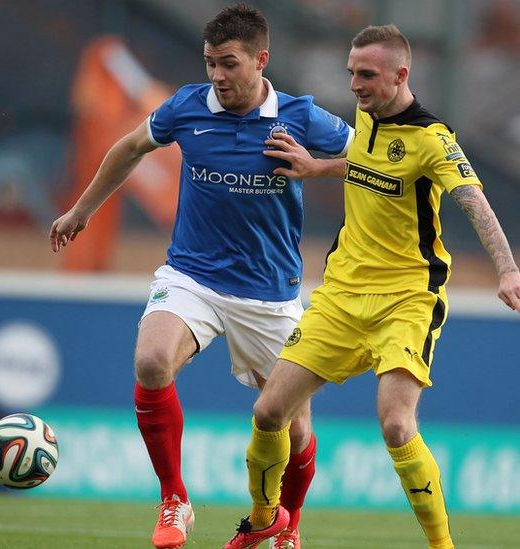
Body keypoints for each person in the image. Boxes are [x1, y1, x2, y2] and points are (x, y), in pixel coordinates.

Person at [49, 4, 353, 549]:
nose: (217, 75)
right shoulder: (187, 106)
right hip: (194, 277)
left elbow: (378, 162)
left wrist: (317, 167)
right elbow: (128, 147)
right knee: (150, 360)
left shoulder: (302, 116)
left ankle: (289, 527)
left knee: (295, 428)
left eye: (229, 63)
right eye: (211, 62)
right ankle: (174, 501)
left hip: (271, 296)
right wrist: (82, 210)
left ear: (261, 60)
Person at [224, 23, 520, 549]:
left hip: (407, 297)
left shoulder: (432, 140)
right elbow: (367, 165)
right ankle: (264, 519)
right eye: (351, 74)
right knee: (269, 412)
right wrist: (318, 167)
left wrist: (508, 268)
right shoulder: (366, 118)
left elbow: (475, 202)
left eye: (366, 75)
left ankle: (441, 545)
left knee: (396, 425)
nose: (355, 85)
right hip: (340, 295)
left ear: (401, 75)